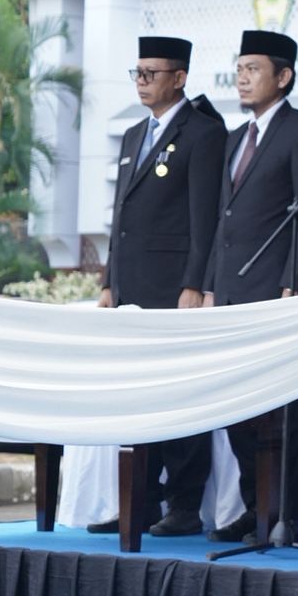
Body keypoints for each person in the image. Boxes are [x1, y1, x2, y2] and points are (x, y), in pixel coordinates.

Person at [93, 36, 225, 537]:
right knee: (136, 397)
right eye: (138, 73)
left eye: (152, 73)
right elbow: (121, 216)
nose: (142, 82)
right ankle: (140, 501)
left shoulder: (203, 132)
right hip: (132, 288)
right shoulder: (134, 133)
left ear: (180, 77)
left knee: (179, 394)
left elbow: (204, 217)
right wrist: (110, 280)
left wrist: (195, 282)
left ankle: (184, 504)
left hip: (173, 288)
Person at [203, 30, 298, 545]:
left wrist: (292, 283)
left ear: (283, 76)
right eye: (239, 69)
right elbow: (223, 220)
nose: (242, 78)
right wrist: (210, 286)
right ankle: (254, 506)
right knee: (236, 405)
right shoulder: (236, 137)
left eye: (253, 69)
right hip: (230, 293)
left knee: (280, 407)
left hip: (275, 292)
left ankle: (285, 513)